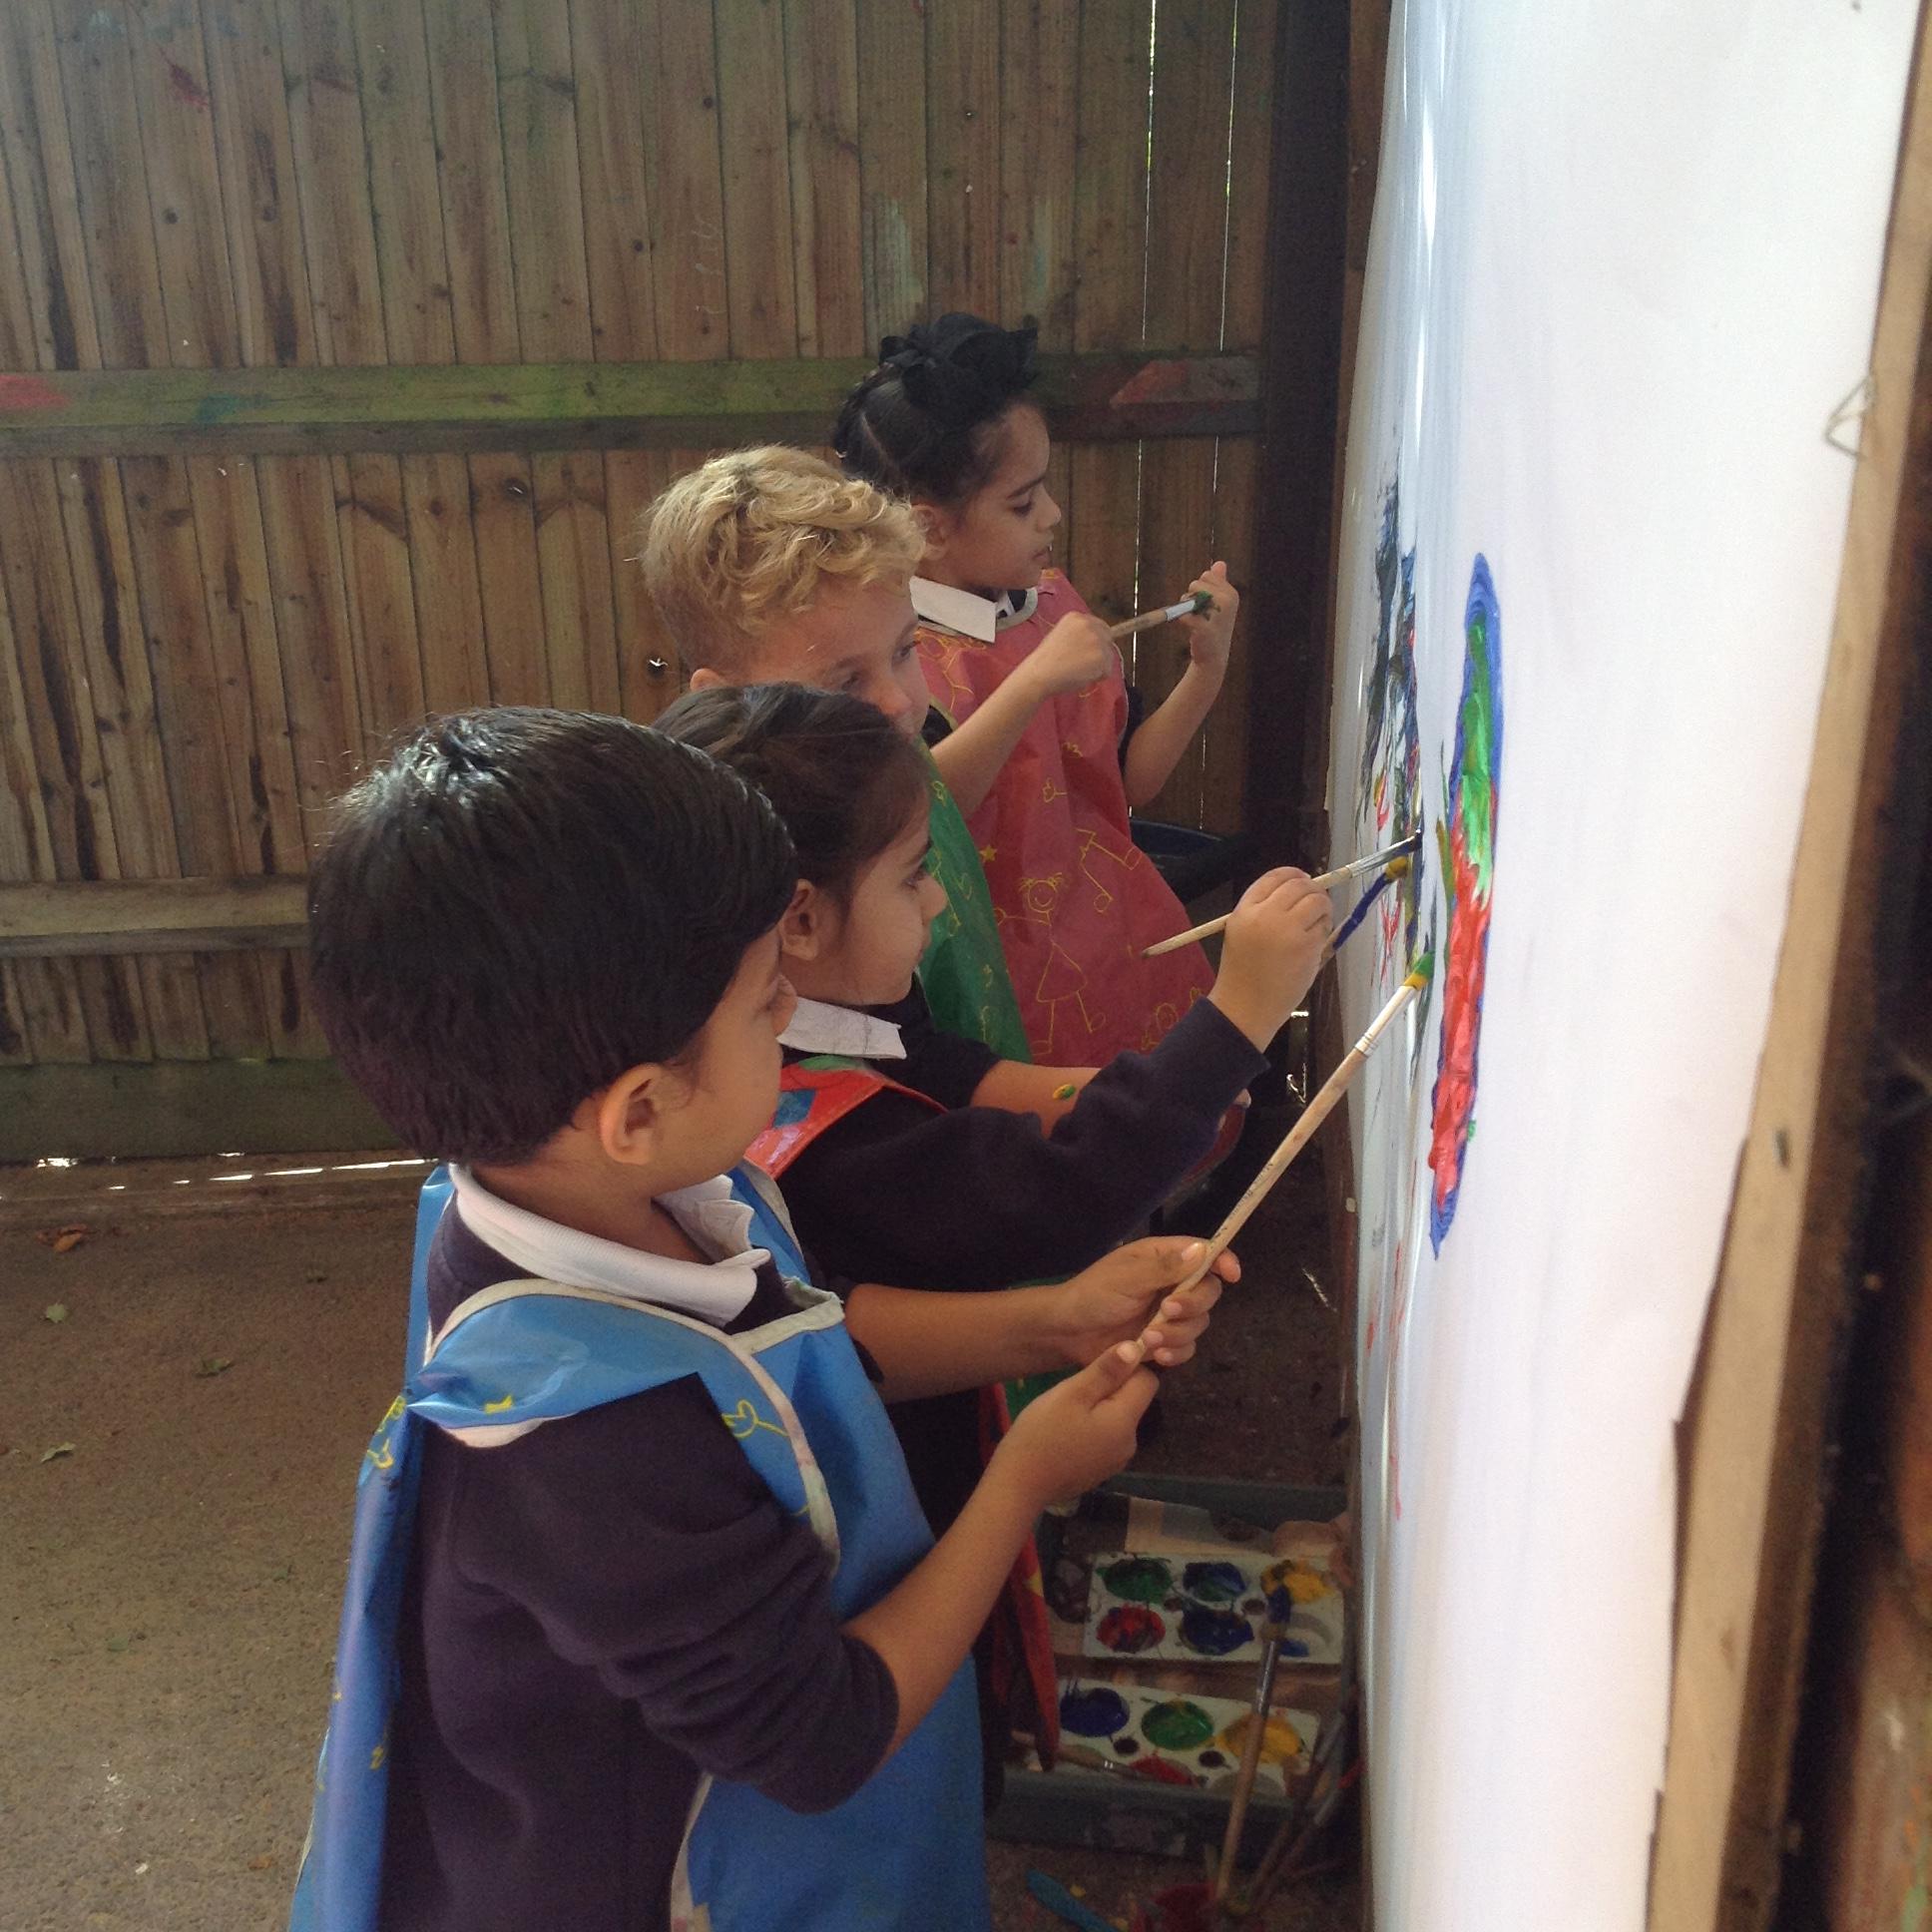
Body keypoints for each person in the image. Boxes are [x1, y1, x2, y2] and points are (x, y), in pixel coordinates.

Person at [288, 707, 1233, 1932]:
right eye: (761, 1003)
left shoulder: (623, 1190)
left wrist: (1049, 1325)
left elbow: (791, 1362)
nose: (790, 1014)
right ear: (637, 1108)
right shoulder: (582, 1448)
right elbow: (819, 1734)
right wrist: (1022, 1485)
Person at [654, 682, 1328, 1538]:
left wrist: (1171, 1083)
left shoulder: (812, 1016)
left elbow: (940, 1064)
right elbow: (1056, 1196)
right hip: (890, 1481)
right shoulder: (822, 1130)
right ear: (802, 920)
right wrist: (1240, 1015)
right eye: (913, 877)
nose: (937, 903)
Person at [835, 313, 1237, 1067]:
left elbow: (1131, 782)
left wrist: (1205, 669)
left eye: (1044, 488)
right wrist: (1030, 684)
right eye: (1022, 502)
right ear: (929, 529)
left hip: (1123, 942)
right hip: (1002, 986)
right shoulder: (895, 656)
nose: (1052, 514)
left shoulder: (1048, 601)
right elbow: (918, 812)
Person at [636, 443, 1035, 1066]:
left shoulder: (895, 755)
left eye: (903, 650)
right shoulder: (750, 908)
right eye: (844, 682)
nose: (898, 702)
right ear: (728, 699)